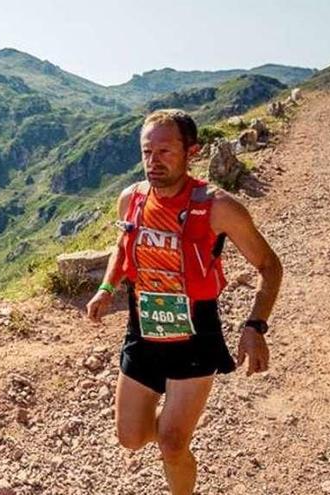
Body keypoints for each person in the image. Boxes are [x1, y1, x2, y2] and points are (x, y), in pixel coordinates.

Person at [86, 109, 282, 495]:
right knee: (131, 438)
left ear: (192, 151)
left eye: (165, 151)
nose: (153, 162)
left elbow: (270, 266)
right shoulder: (131, 199)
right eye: (147, 152)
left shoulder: (218, 207)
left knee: (172, 443)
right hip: (142, 329)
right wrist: (107, 289)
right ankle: (177, 413)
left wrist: (255, 325)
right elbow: (122, 247)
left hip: (195, 332)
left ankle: (179, 437)